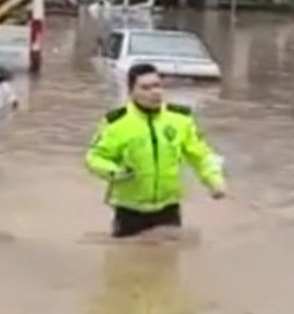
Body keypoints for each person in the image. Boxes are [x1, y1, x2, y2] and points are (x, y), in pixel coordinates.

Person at [85, 63, 226, 238]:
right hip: (129, 209)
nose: (154, 92)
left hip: (168, 207)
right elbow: (95, 157)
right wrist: (116, 172)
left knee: (170, 253)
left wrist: (214, 181)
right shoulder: (116, 123)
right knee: (125, 254)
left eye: (157, 86)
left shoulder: (180, 119)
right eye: (145, 88)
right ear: (131, 92)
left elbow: (201, 154)